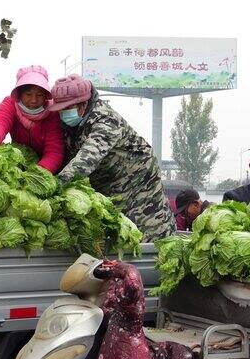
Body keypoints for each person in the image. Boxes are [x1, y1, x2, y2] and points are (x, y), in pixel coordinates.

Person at [50, 74, 175, 242]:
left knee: (147, 235)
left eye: (69, 107)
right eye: (61, 109)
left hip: (138, 183)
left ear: (84, 103)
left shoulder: (105, 120)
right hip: (108, 186)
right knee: (115, 234)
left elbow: (86, 160)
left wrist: (52, 187)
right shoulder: (70, 124)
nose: (64, 113)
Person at [0, 65, 65, 173]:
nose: (33, 100)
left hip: (45, 167)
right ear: (19, 94)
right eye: (28, 94)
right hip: (17, 161)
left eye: (39, 95)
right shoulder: (10, 103)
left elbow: (54, 150)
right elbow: (0, 122)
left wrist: (37, 174)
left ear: (46, 96)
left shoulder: (52, 113)